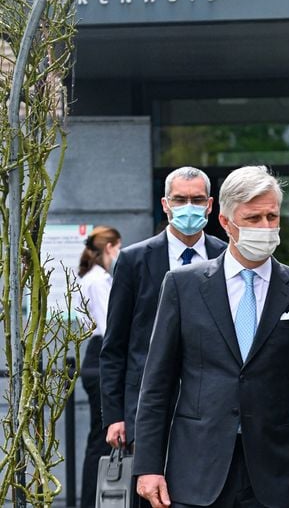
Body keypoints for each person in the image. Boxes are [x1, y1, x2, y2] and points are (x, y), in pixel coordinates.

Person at [133, 165, 289, 508]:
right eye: (253, 219)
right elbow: (157, 384)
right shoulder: (182, 285)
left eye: (272, 216)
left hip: (279, 472)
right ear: (225, 222)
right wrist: (148, 467)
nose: (266, 227)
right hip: (198, 468)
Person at [100, 166, 227, 453]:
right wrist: (115, 415)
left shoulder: (226, 255)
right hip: (148, 405)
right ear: (165, 204)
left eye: (197, 200)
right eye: (180, 200)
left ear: (209, 205)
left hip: (212, 406)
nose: (188, 207)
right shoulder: (134, 261)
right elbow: (115, 345)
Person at [77, 225, 122, 508]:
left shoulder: (94, 278)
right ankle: (94, 500)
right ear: (109, 247)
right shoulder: (98, 280)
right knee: (101, 438)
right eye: (118, 247)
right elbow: (110, 325)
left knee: (99, 437)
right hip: (101, 354)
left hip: (96, 354)